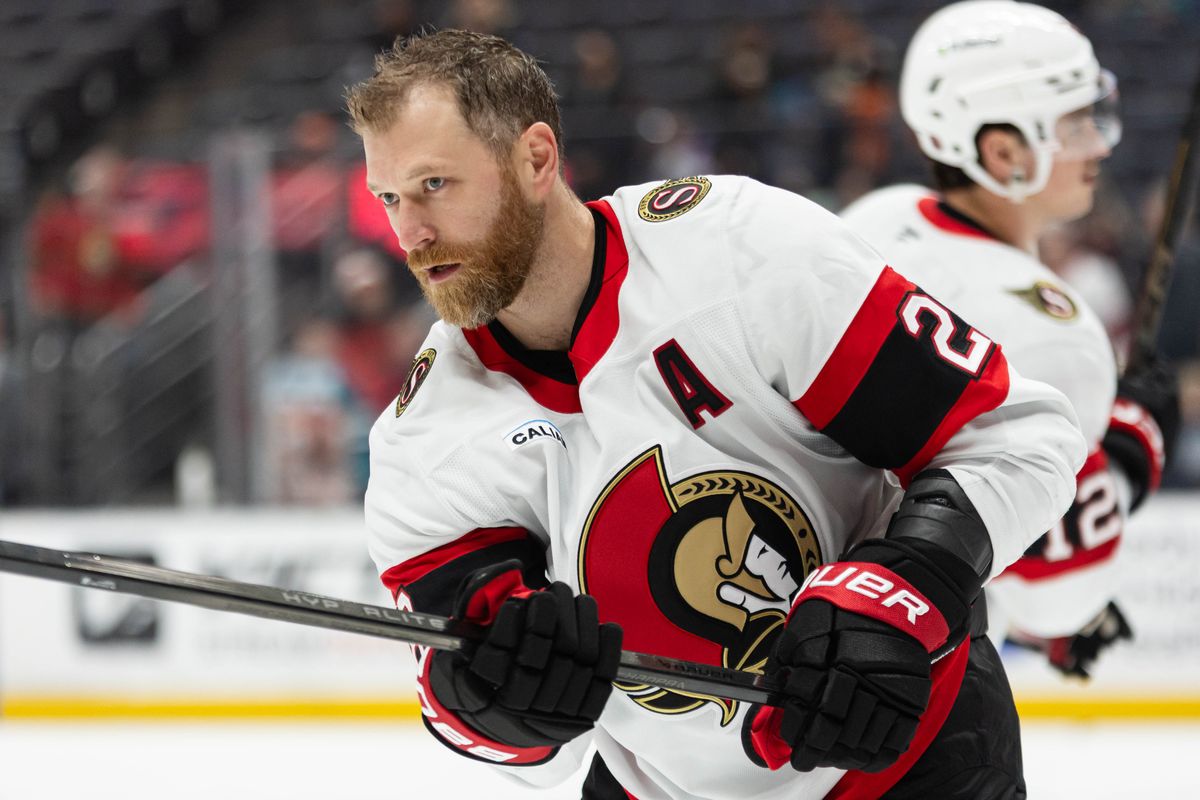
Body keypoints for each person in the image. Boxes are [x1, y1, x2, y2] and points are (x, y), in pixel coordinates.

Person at [350, 28, 1085, 799]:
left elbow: (1013, 436)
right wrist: (498, 704)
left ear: (536, 159)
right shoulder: (422, 442)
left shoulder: (740, 250)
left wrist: (904, 586)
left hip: (914, 760)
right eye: (389, 197)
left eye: (435, 185)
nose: (410, 233)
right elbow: (486, 724)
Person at [840, 0, 1179, 680]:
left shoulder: (874, 219)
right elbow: (1057, 595)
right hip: (899, 671)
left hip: (823, 612)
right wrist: (1125, 452)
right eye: (1078, 124)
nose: (1101, 145)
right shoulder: (1057, 338)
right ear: (1002, 152)